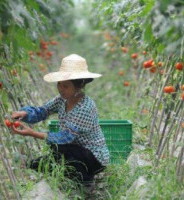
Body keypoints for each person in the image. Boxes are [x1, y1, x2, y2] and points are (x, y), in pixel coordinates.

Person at [10, 54, 110, 186]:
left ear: (79, 85)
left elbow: (65, 138)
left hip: (93, 157)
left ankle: (86, 179)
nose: (61, 89)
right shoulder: (62, 100)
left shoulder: (85, 107)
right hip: (74, 151)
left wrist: (32, 133)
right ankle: (77, 176)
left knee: (59, 147)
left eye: (66, 86)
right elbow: (43, 111)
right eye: (59, 84)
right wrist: (25, 113)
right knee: (36, 164)